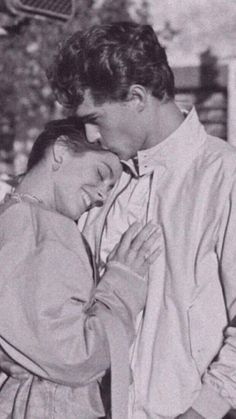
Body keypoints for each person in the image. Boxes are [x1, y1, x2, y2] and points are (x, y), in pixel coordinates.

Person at [44, 22, 236, 419]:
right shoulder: (99, 185)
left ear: (136, 97)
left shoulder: (224, 177)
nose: (90, 134)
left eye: (95, 117)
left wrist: (203, 410)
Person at [0, 118, 161, 419]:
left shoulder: (18, 219)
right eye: (101, 174)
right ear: (60, 151)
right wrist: (121, 288)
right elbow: (76, 356)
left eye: (110, 188)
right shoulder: (39, 227)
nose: (102, 196)